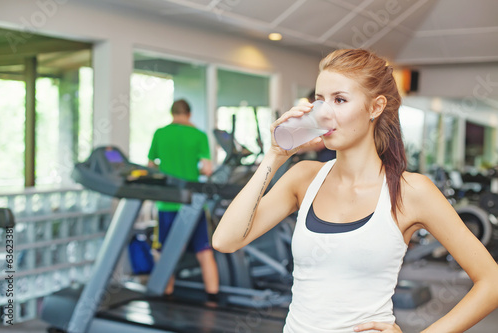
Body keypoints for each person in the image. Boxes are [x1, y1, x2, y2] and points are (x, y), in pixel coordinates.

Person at [212, 49, 498, 332]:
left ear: (375, 107)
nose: (324, 113)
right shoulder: (304, 177)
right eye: (319, 100)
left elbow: (491, 282)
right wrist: (274, 156)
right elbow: (226, 240)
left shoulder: (412, 191)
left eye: (339, 100)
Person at [148, 99, 219, 301]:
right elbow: (207, 169)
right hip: (193, 204)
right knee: (204, 252)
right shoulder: (199, 135)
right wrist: (191, 169)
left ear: (172, 113)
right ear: (189, 114)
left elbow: (151, 166)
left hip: (167, 202)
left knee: (164, 252)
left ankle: (165, 293)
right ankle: (213, 299)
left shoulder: (160, 133)